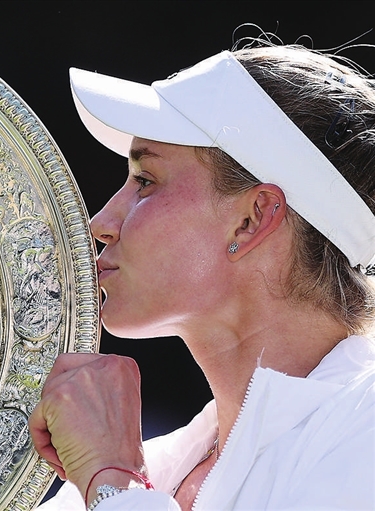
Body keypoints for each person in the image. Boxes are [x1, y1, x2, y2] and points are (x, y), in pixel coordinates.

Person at [29, 42, 375, 510]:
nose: (101, 223)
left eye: (145, 181)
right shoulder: (158, 463)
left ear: (252, 219)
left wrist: (111, 481)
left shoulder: (365, 428)